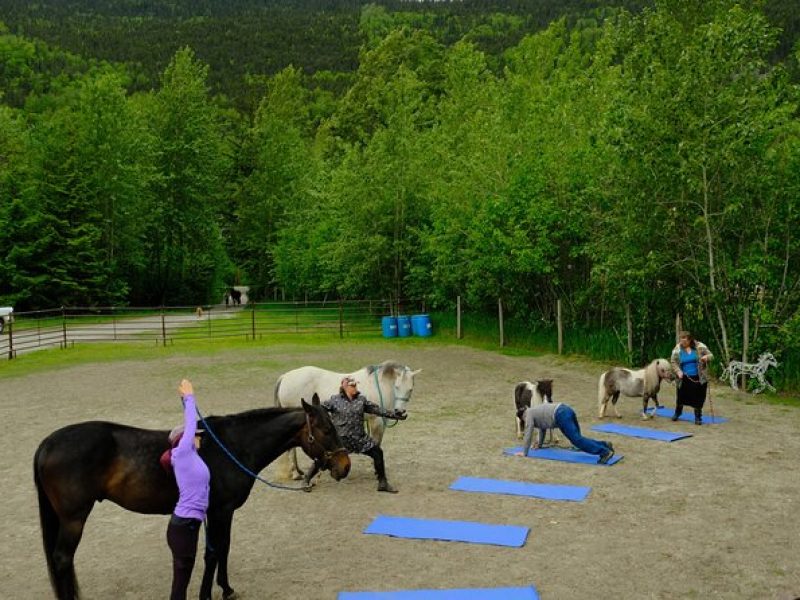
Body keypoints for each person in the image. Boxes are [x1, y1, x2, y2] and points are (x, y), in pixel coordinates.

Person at [308, 376, 406, 493]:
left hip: (360, 439)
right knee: (322, 458)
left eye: (355, 385)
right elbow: (318, 410)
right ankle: (306, 479)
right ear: (345, 386)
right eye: (352, 385)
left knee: (378, 453)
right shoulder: (334, 401)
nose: (355, 387)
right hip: (341, 441)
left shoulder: (361, 400)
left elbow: (377, 409)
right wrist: (312, 409)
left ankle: (382, 483)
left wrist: (395, 415)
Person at [166, 379, 210, 600]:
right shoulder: (183, 454)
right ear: (183, 440)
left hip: (188, 525)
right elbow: (191, 423)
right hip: (183, 527)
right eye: (196, 435)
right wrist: (189, 397)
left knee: (183, 579)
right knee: (180, 584)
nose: (199, 436)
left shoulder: (192, 458)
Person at [514, 402, 615, 464]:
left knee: (577, 440)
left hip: (560, 415)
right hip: (565, 409)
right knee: (578, 438)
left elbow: (528, 432)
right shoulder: (533, 411)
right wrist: (539, 445)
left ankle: (604, 452)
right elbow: (542, 429)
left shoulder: (528, 415)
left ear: (522, 417)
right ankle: (605, 445)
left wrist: (524, 452)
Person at [670, 330, 714, 425]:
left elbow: (711, 356)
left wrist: (706, 357)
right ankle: (678, 412)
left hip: (699, 377)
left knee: (699, 397)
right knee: (681, 397)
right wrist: (678, 371)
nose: (682, 342)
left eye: (685, 340)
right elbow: (673, 362)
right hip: (684, 377)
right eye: (681, 340)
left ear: (689, 340)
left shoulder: (700, 346)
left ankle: (698, 417)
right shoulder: (677, 349)